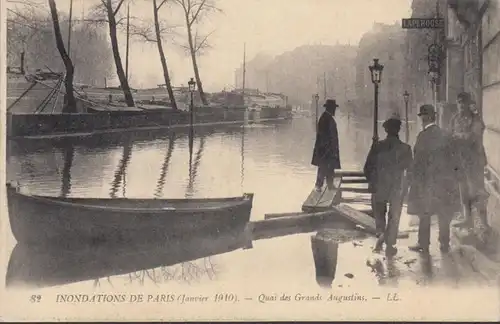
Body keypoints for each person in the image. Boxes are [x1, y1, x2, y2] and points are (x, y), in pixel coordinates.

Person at [407, 105, 461, 253]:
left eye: (422, 117)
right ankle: (444, 243)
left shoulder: (422, 136)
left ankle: (423, 244)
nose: (422, 120)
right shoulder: (445, 135)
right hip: (444, 182)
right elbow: (454, 159)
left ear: (426, 118)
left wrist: (414, 181)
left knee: (425, 213)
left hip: (427, 182)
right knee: (443, 213)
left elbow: (417, 161)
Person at [363, 113, 413, 256]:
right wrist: (406, 187)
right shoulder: (406, 148)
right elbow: (411, 170)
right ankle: (390, 242)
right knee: (394, 214)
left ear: (386, 130)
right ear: (399, 130)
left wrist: (372, 182)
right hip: (397, 186)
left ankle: (380, 233)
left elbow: (367, 168)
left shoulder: (378, 146)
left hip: (379, 185)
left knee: (379, 212)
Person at [449, 92, 490, 233]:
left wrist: (458, 137)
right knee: (463, 191)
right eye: (459, 102)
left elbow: (472, 137)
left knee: (477, 191)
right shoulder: (454, 119)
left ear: (468, 103)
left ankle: (484, 224)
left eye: (463, 102)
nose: (460, 105)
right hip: (460, 160)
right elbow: (450, 136)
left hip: (474, 161)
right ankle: (467, 219)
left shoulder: (475, 119)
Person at [311, 99, 341, 192]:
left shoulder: (327, 118)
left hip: (328, 149)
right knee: (323, 167)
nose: (334, 110)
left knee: (329, 168)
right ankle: (319, 185)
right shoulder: (325, 118)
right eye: (333, 108)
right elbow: (323, 136)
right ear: (330, 108)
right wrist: (328, 148)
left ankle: (329, 184)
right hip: (325, 149)